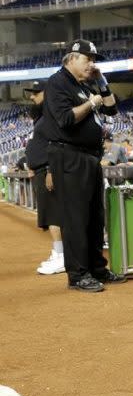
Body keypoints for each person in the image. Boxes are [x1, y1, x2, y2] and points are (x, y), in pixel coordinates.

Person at [41, 39, 125, 292]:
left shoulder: (86, 84)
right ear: (71, 58)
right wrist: (92, 103)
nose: (92, 63)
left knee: (94, 216)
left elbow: (112, 111)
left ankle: (97, 268)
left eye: (94, 59)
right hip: (69, 156)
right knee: (76, 217)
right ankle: (78, 275)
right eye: (87, 59)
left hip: (89, 156)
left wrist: (101, 82)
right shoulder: (57, 82)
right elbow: (66, 119)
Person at [24, 80, 65, 275]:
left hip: (48, 170)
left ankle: (61, 256)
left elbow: (55, 144)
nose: (32, 96)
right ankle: (59, 253)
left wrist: (50, 169)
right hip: (40, 170)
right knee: (50, 213)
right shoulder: (42, 116)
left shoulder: (50, 115)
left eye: (35, 92)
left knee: (53, 213)